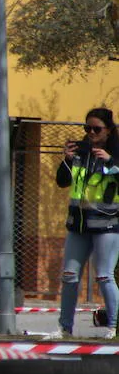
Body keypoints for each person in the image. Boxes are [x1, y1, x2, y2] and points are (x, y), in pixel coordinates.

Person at [56, 107, 119, 338]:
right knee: (69, 275)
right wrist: (67, 160)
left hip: (107, 224)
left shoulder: (115, 154)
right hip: (79, 225)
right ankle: (65, 327)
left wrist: (112, 161)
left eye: (97, 128)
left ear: (109, 130)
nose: (91, 132)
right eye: (87, 128)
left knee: (104, 275)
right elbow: (62, 182)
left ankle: (113, 326)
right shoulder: (81, 154)